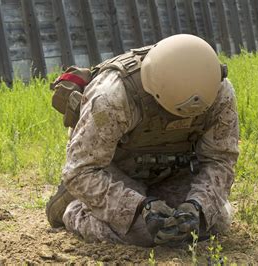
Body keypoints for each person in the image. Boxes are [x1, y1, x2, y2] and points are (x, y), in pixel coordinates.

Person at [46, 34, 239, 247]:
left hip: (171, 171)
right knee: (142, 236)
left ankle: (159, 204)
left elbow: (220, 159)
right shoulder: (112, 97)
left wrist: (196, 206)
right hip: (114, 173)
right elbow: (80, 171)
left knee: (212, 222)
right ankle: (74, 209)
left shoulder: (218, 90)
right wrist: (139, 206)